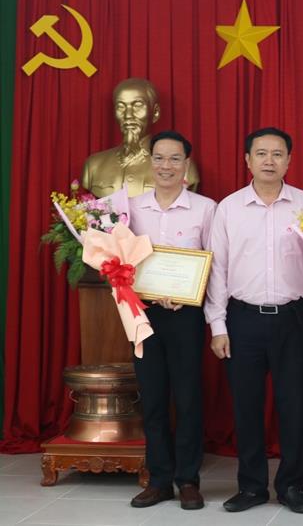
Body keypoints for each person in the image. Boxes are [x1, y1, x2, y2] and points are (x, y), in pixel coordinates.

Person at [204, 127, 303, 514]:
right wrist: (218, 326)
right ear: (247, 160)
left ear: (289, 161)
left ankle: (292, 486)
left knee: (293, 404)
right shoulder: (228, 208)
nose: (269, 160)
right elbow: (217, 270)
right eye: (261, 153)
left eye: (277, 154)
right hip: (242, 319)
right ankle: (251, 487)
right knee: (246, 406)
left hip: (293, 319)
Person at [127, 131, 216, 510]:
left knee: (188, 397)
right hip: (143, 315)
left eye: (175, 158)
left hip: (186, 315)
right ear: (150, 162)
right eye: (160, 158)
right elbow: (120, 260)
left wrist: (189, 293)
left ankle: (188, 480)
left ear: (186, 165)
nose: (166, 166)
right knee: (152, 398)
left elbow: (214, 262)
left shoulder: (205, 208)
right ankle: (160, 479)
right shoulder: (130, 208)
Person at [82, 78, 199, 198]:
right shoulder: (94, 166)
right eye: (121, 106)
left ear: (155, 113)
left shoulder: (182, 167)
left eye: (137, 105)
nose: (128, 115)